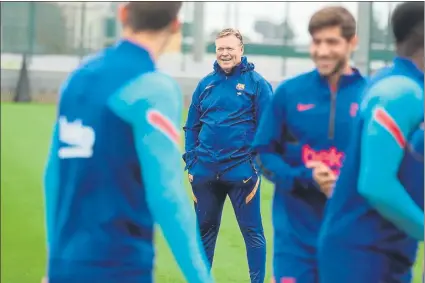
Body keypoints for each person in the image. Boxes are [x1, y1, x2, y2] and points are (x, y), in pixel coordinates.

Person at [42, 2, 213, 283]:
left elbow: (53, 176)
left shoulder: (77, 79)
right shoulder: (154, 88)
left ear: (123, 13)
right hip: (119, 266)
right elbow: (167, 194)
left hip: (66, 266)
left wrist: (54, 263)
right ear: (175, 26)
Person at [252, 6, 366, 283]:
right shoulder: (289, 93)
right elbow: (262, 154)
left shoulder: (371, 96)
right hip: (295, 243)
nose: (323, 51)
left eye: (332, 42)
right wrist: (305, 176)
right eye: (317, 42)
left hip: (352, 242)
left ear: (352, 43)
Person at [318, 2, 424, 283]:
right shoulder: (399, 92)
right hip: (361, 257)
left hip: (385, 253)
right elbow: (376, 184)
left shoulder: (404, 85)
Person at [183, 28, 272, 283]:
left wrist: (255, 167)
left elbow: (269, 129)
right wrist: (191, 163)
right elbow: (192, 126)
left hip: (242, 175)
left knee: (252, 233)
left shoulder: (257, 84)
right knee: (203, 234)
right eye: (220, 48)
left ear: (241, 50)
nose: (225, 53)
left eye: (230, 48)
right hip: (205, 173)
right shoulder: (206, 84)